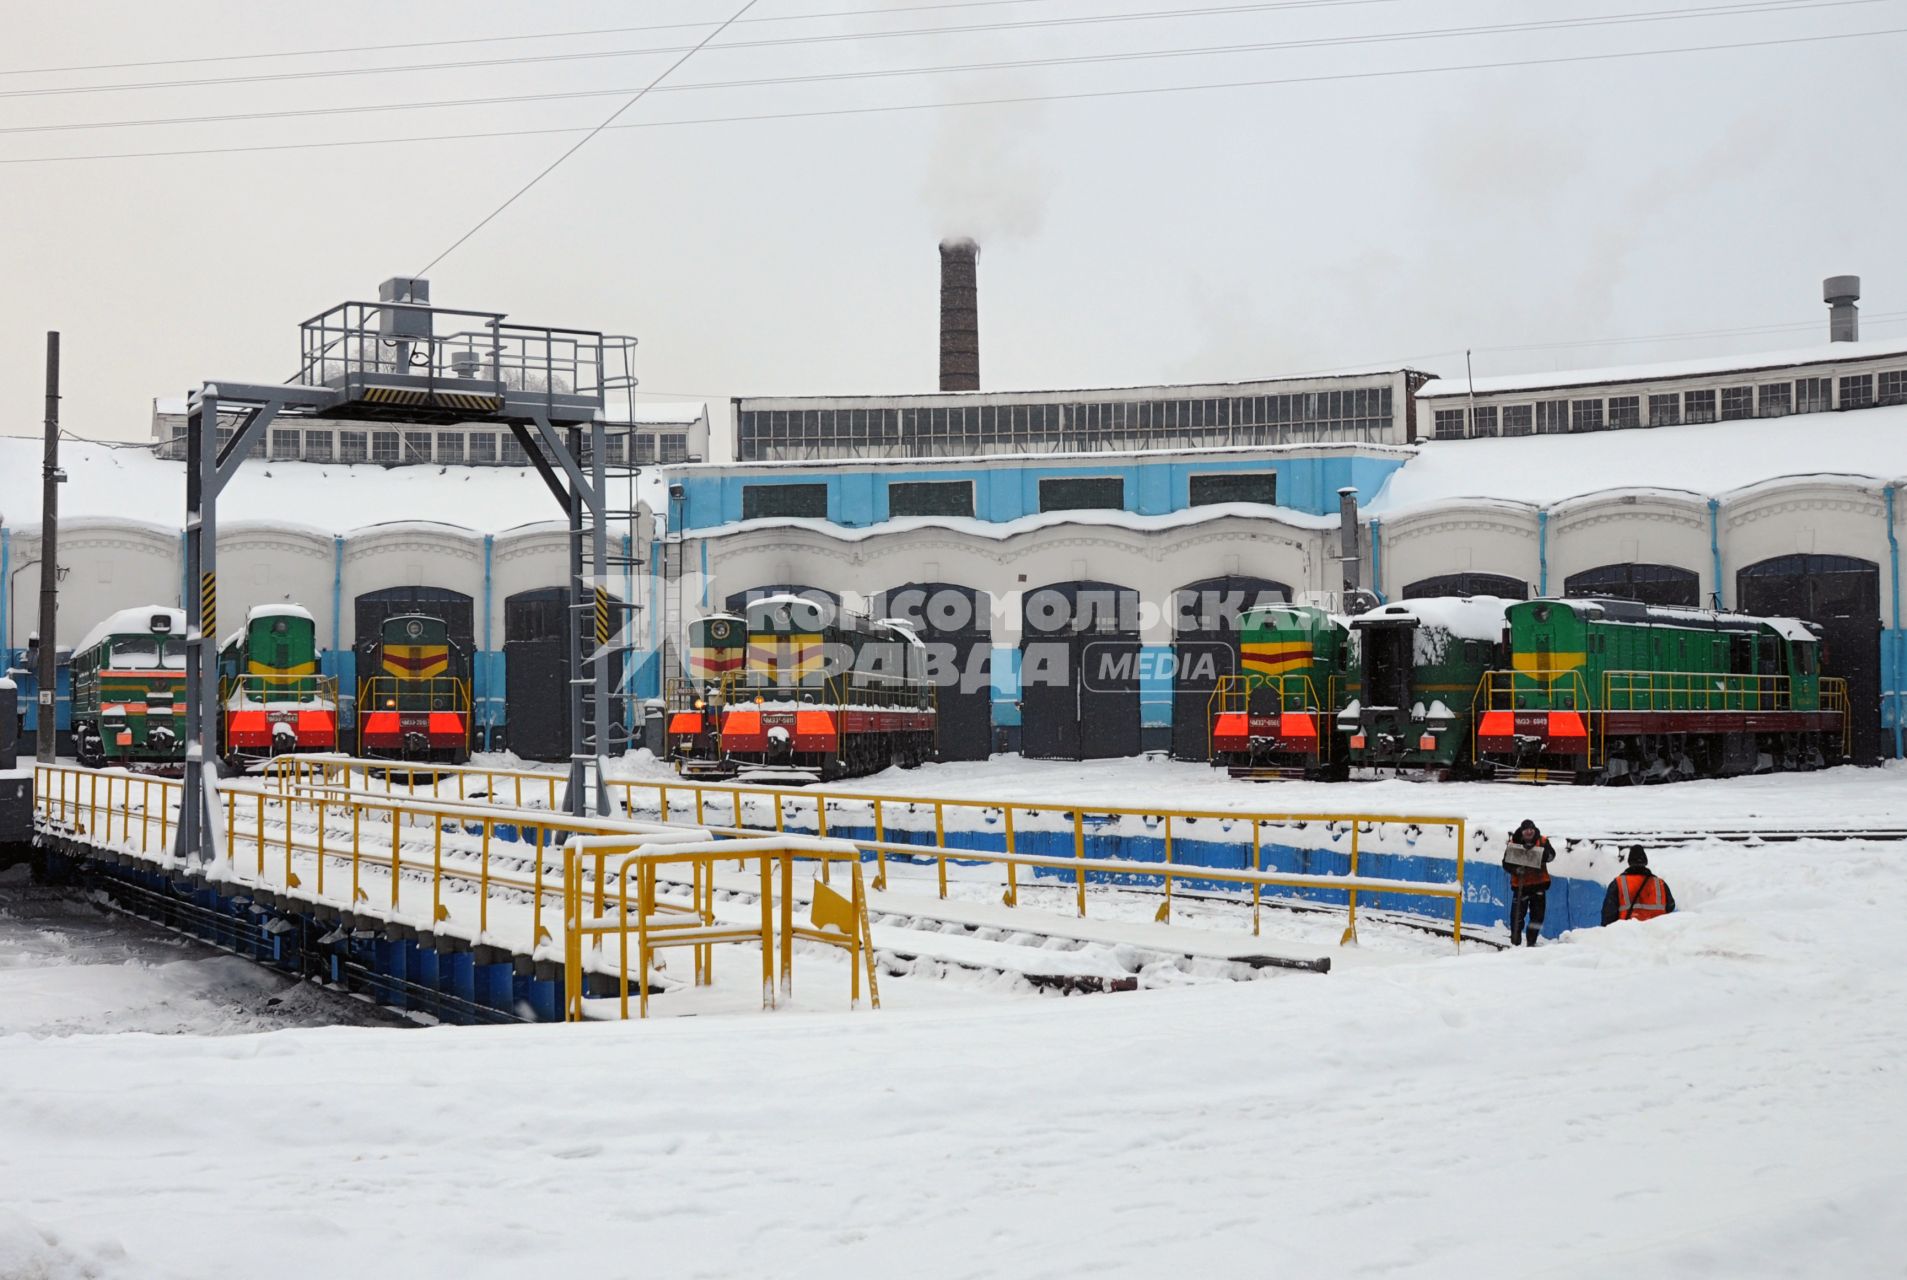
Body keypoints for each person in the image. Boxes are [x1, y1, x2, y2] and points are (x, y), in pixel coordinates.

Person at [1502, 818, 1556, 947]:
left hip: (1539, 885)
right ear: (1522, 832)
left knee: (1537, 917)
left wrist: (1543, 855)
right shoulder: (1513, 843)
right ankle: (1515, 942)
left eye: (1531, 829)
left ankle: (1531, 942)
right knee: (1516, 917)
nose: (1529, 832)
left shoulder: (1542, 841)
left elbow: (1552, 856)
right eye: (1526, 830)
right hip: (1520, 886)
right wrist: (1516, 870)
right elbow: (1505, 863)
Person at [1602, 846, 1676, 925]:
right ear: (1645, 861)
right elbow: (1670, 907)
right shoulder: (1660, 884)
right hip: (1656, 933)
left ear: (1629, 862)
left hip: (1628, 933)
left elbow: (1609, 914)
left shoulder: (1618, 883)